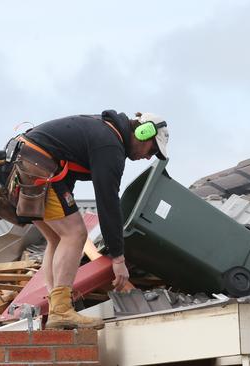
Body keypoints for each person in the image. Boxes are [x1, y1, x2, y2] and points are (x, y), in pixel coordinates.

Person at [19, 110, 169, 329]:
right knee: (75, 234)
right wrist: (118, 259)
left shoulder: (104, 130)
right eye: (152, 149)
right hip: (37, 165)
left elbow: (67, 168)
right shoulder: (110, 145)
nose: (148, 157)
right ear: (143, 132)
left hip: (26, 163)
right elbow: (107, 202)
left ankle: (56, 309)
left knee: (57, 238)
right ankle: (61, 310)